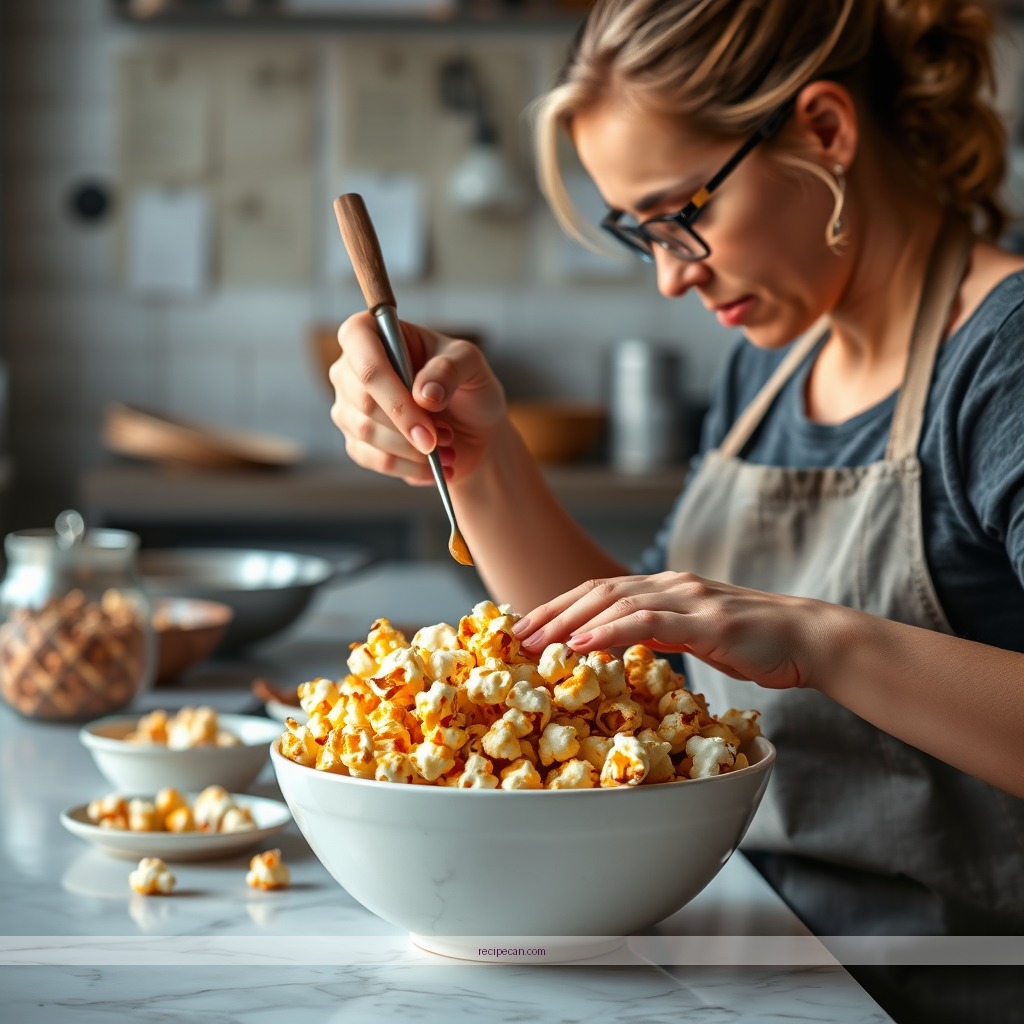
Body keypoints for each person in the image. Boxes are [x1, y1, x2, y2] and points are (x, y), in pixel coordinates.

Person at [330, 1, 1024, 1019]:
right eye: (637, 232)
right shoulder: (772, 367)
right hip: (746, 962)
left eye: (680, 213)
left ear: (824, 131)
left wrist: (817, 639)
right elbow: (633, 663)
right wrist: (478, 458)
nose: (667, 276)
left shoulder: (1001, 362)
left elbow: (770, 642)